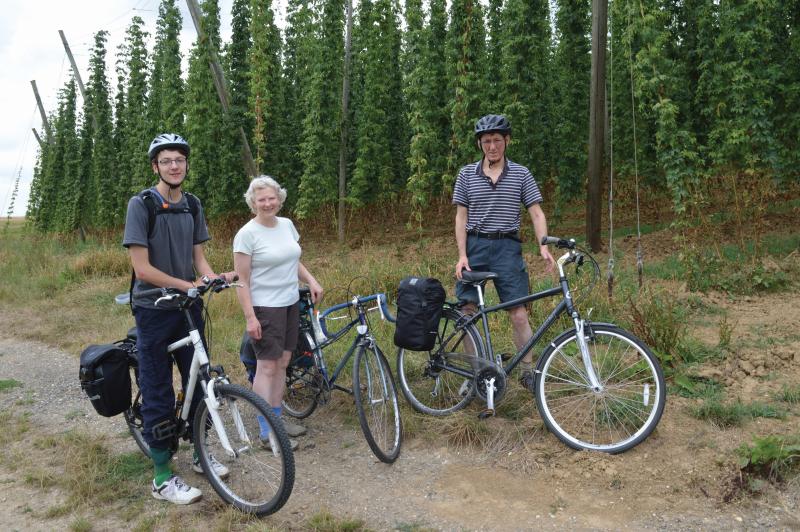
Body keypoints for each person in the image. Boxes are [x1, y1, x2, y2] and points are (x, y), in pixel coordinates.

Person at [123, 133, 231, 505]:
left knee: (199, 380)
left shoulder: (193, 204)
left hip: (187, 306)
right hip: (153, 309)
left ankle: (201, 452)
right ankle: (162, 477)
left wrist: (210, 278)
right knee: (158, 389)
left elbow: (198, 258)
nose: (174, 166)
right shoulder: (142, 204)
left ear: (186, 165)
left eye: (179, 160)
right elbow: (142, 268)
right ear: (156, 166)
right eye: (166, 160)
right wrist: (186, 284)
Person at [453, 114, 555, 390]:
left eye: (497, 140)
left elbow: (536, 212)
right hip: (475, 246)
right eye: (487, 141)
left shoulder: (521, 174)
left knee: (518, 313)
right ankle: (476, 376)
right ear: (480, 144)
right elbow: (461, 217)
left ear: (507, 141)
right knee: (466, 313)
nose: (492, 146)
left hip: (507, 248)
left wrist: (543, 245)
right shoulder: (466, 174)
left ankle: (527, 370)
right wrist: (462, 254)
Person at [233, 176, 323, 450]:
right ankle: (266, 431)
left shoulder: (286, 226)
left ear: (279, 199)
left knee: (283, 363)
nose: (268, 203)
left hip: (290, 303)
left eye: (272, 198)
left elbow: (293, 259)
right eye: (262, 199)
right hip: (265, 307)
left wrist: (311, 280)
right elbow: (241, 279)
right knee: (267, 366)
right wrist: (250, 316)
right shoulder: (247, 234)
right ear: (253, 203)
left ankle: (277, 421)